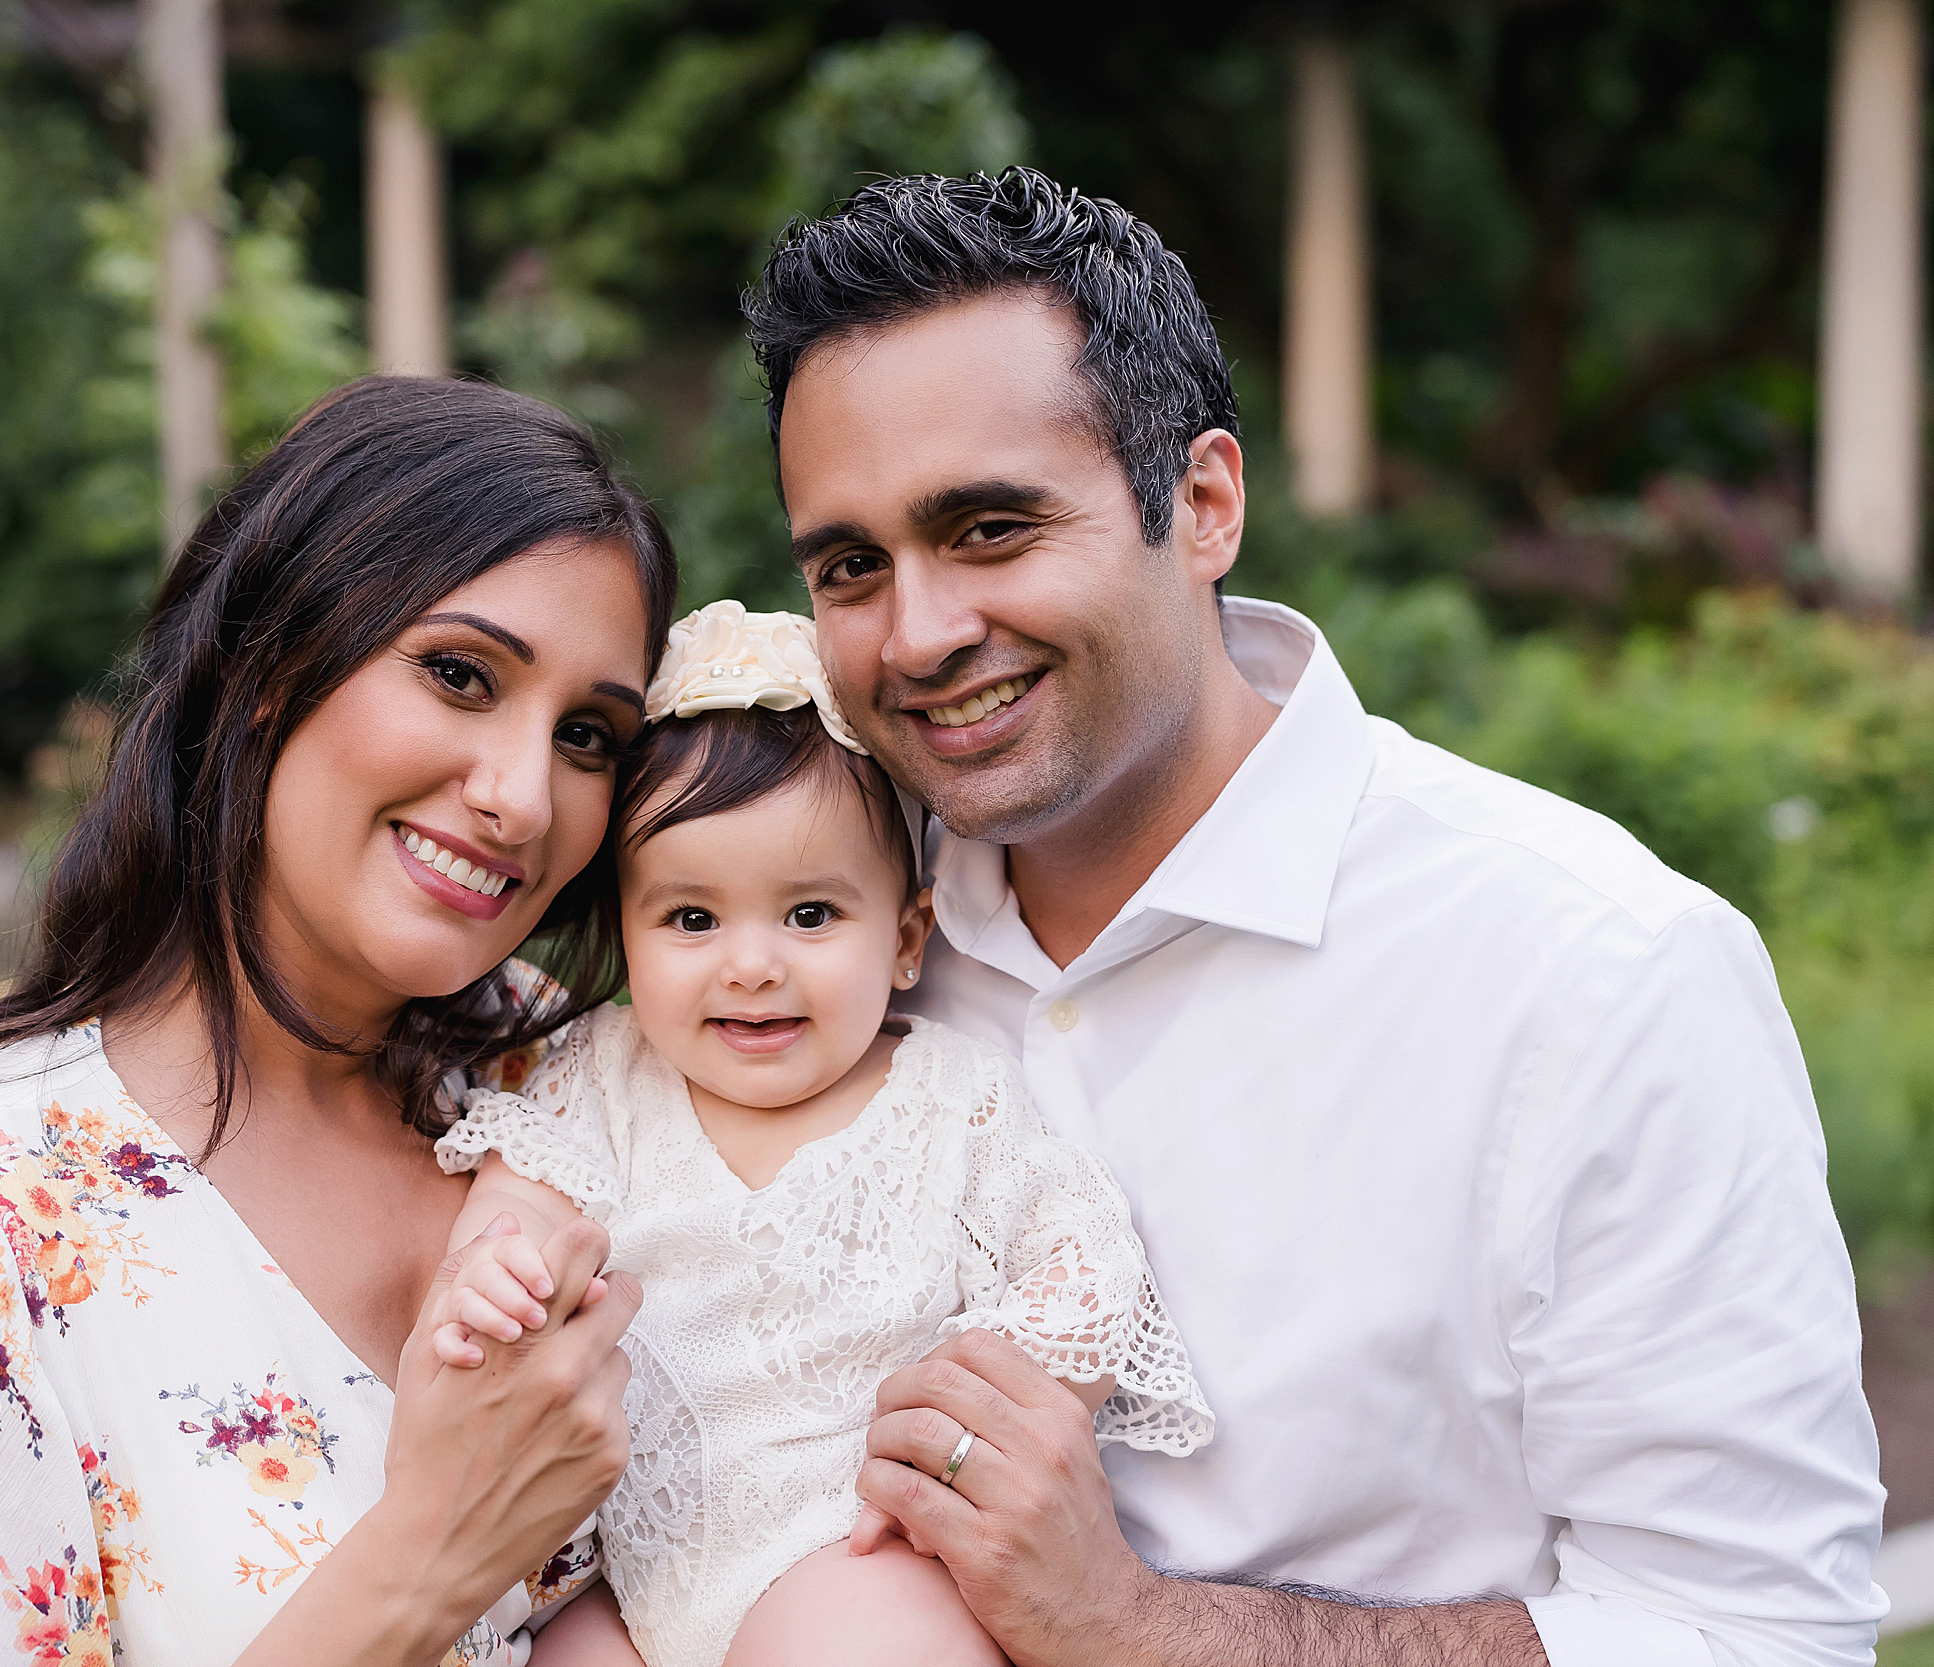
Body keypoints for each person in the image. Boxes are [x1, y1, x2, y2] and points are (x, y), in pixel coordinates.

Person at [745, 168, 1889, 1667]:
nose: (919, 631)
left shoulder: (1593, 970)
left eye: (991, 527)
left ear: (1204, 502)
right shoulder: (818, 951)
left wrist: (1136, 1627)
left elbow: (1758, 1635)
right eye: (851, 566)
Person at [0, 375, 676, 1666]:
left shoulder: (588, 1077)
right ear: (265, 665)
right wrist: (430, 1555)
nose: (524, 797)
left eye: (589, 734)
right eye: (460, 674)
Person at [423, 602, 1213, 1667]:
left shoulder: (949, 1094)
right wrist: (490, 1276)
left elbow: (1080, 1267)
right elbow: (514, 1209)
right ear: (626, 934)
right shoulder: (601, 1077)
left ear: (904, 937)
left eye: (808, 914)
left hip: (867, 1549)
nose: (750, 964)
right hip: (643, 1583)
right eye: (692, 919)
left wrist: (970, 1440)